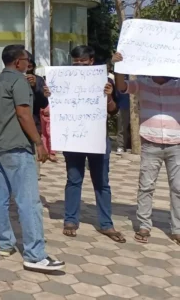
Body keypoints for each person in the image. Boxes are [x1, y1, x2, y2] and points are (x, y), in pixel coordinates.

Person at [0, 44, 63, 272]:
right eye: (26, 60)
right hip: (17, 147)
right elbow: (23, 113)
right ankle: (35, 254)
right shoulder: (18, 81)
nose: (28, 64)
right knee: (29, 201)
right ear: (18, 62)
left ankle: (4, 243)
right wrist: (39, 143)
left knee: (1, 198)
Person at [44, 45, 123, 242]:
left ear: (91, 61)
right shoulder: (63, 79)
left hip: (97, 138)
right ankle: (70, 220)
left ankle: (106, 224)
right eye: (76, 61)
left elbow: (113, 111)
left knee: (102, 183)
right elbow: (54, 104)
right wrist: (49, 95)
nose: (79, 64)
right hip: (73, 138)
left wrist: (109, 96)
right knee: (73, 180)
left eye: (83, 61)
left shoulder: (105, 80)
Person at [112, 51, 179, 244]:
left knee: (178, 188)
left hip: (176, 144)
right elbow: (122, 87)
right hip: (150, 143)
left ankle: (177, 229)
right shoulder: (142, 83)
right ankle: (144, 225)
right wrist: (119, 67)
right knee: (146, 186)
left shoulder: (178, 85)